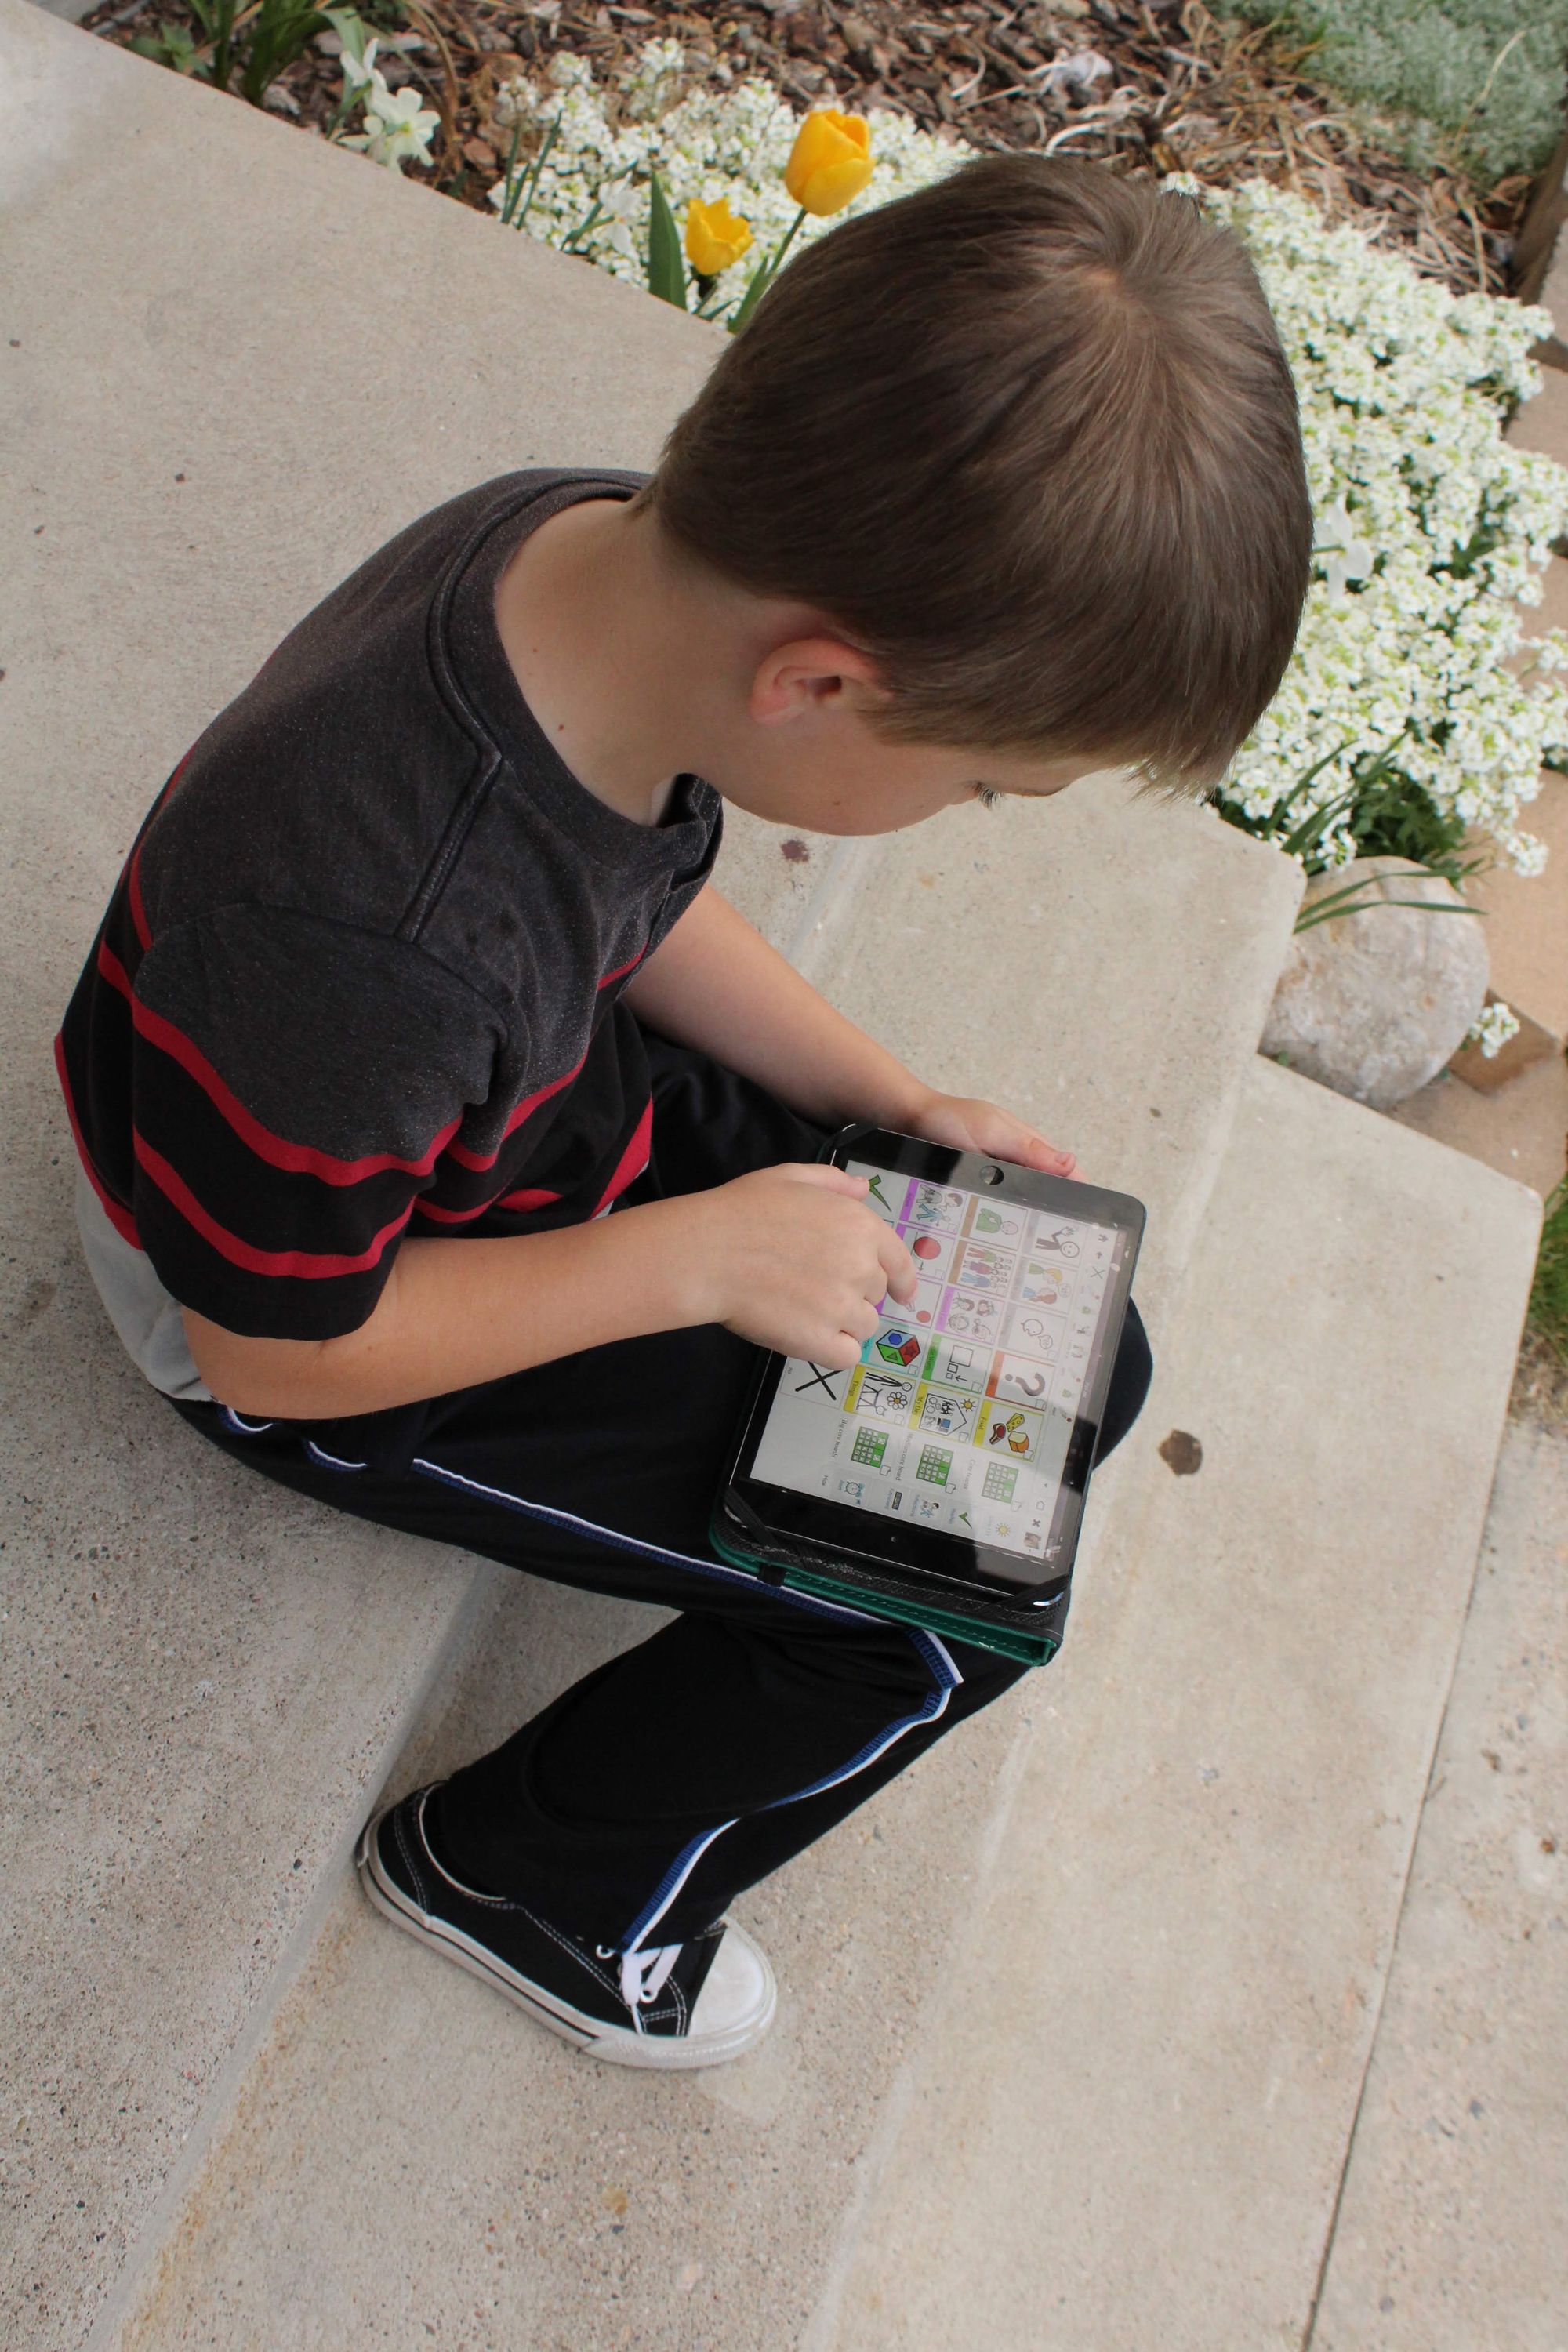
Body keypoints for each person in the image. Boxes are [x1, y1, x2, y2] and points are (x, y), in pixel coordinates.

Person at [56, 154, 1311, 2069]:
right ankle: (538, 1883)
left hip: (501, 1137)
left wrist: (875, 1098)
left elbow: (622, 903)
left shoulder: (575, 565)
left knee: (1069, 1358)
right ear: (817, 681)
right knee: (937, 1618)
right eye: (980, 786)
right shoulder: (376, 938)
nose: (967, 815)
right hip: (318, 1319)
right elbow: (276, 1346)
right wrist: (689, 1257)